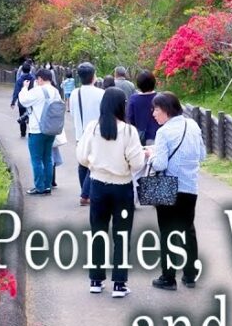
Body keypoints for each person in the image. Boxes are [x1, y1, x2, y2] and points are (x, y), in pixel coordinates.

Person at [76, 87, 146, 298]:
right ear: (120, 106)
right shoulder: (128, 131)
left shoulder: (92, 128)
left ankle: (96, 280)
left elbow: (82, 157)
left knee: (98, 232)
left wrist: (96, 163)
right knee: (121, 235)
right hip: (122, 189)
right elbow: (137, 163)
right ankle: (119, 283)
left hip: (98, 186)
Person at [148, 92, 207, 290]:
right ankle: (190, 274)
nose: (153, 113)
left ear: (166, 110)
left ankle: (168, 277)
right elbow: (202, 155)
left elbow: (160, 164)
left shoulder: (163, 132)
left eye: (156, 109)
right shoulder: (193, 125)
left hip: (168, 186)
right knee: (188, 229)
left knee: (167, 231)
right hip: (190, 186)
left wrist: (151, 156)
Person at [17, 69, 59, 196]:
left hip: (37, 130)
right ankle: (47, 186)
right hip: (51, 129)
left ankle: (39, 187)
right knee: (48, 158)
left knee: (36, 159)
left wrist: (24, 88)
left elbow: (23, 101)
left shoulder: (37, 91)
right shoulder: (55, 91)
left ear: (40, 79)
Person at [67, 62, 104, 207]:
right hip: (96, 134)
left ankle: (84, 191)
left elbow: (72, 112)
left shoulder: (75, 93)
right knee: (93, 165)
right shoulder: (101, 93)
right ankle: (85, 194)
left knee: (82, 163)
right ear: (94, 76)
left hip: (80, 134)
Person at [126, 70, 159, 146]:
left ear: (139, 84)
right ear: (153, 82)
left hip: (139, 137)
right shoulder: (159, 97)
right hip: (157, 135)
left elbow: (130, 118)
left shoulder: (134, 99)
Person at [10, 62, 35, 137]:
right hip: (31, 101)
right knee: (31, 116)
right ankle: (31, 132)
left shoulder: (19, 80)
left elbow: (16, 91)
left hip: (22, 102)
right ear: (30, 70)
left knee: (22, 116)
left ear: (22, 70)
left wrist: (13, 102)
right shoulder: (33, 79)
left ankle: (23, 133)